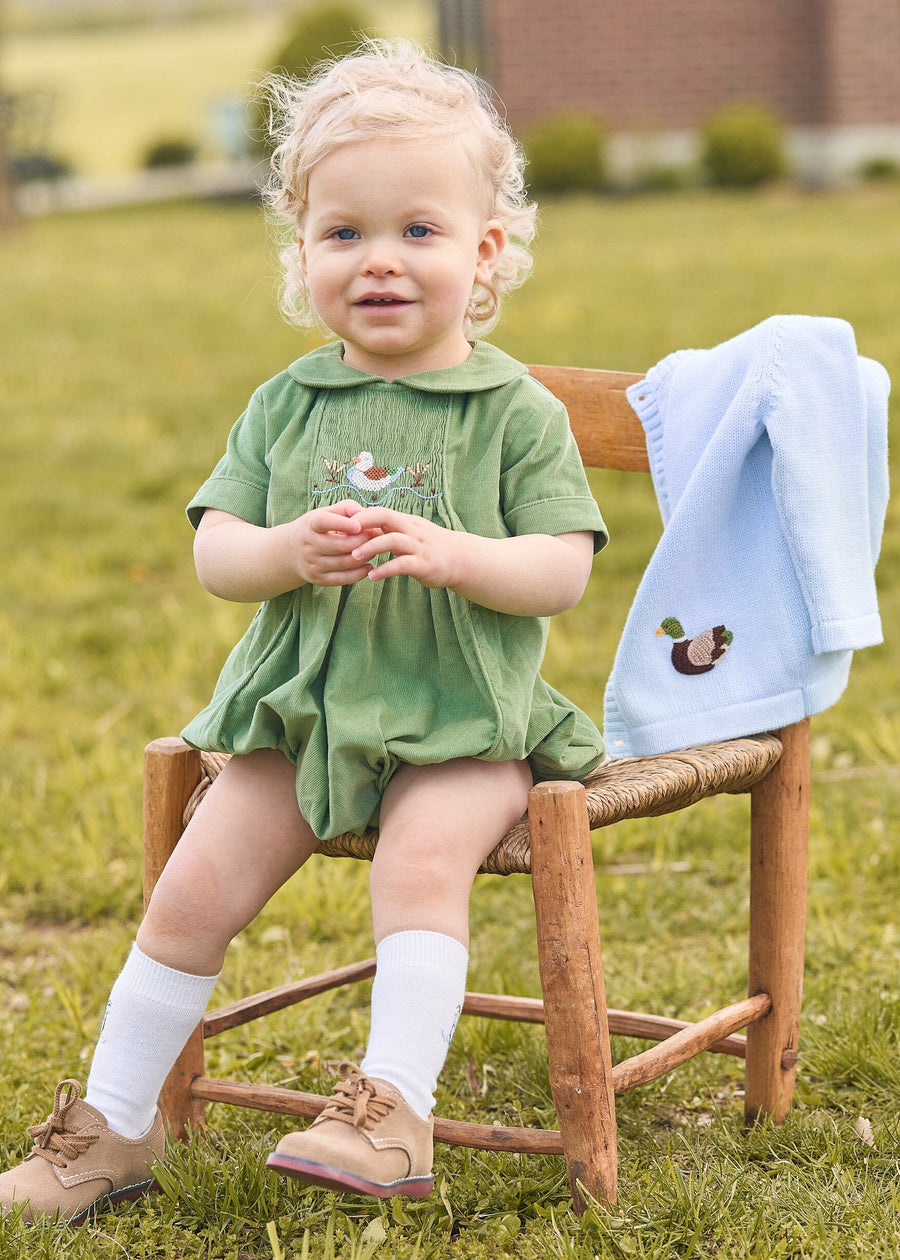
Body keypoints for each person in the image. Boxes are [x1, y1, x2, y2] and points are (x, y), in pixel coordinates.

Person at [0, 40, 607, 1224]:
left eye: (419, 232)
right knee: (188, 894)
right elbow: (215, 547)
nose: (379, 260)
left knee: (418, 864)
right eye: (344, 233)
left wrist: (457, 556)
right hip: (303, 713)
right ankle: (109, 1134)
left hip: (463, 724)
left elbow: (561, 571)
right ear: (303, 253)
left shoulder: (515, 412)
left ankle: (391, 1110)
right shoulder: (288, 404)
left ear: (485, 254)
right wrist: (283, 551)